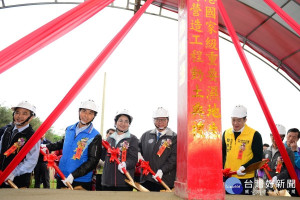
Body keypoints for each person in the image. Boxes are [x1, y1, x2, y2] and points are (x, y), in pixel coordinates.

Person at [44, 100, 102, 190]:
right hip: (62, 176)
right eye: (84, 111)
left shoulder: (95, 135)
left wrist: (73, 175)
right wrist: (46, 147)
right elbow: (62, 143)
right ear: (79, 112)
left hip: (81, 180)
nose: (86, 115)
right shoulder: (69, 129)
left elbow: (93, 161)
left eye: (90, 113)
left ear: (94, 116)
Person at [222, 104, 263, 195]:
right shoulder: (226, 133)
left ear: (245, 120)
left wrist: (244, 167)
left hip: (245, 178)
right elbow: (222, 154)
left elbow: (258, 158)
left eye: (239, 120)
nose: (235, 123)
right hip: (228, 177)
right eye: (233, 120)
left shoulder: (254, 135)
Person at [0, 101, 40, 188]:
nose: (19, 116)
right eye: (17, 112)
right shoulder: (6, 131)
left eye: (24, 113)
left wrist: (13, 173)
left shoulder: (33, 136)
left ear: (31, 117)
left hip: (18, 181)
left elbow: (31, 161)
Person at [139, 107, 177, 191]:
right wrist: (138, 154)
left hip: (165, 179)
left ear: (168, 120)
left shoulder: (174, 137)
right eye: (157, 120)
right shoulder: (146, 135)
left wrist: (162, 171)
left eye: (163, 120)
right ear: (153, 120)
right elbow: (138, 148)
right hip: (147, 179)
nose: (160, 122)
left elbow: (174, 158)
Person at [101, 109, 138, 191]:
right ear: (115, 122)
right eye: (120, 121)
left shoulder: (133, 139)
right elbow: (103, 158)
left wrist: (126, 164)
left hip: (124, 182)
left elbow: (133, 158)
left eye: (126, 121)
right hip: (107, 182)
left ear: (129, 124)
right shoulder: (109, 139)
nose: (123, 124)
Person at [264, 124, 295, 193]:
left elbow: (290, 170)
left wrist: (277, 177)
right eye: (273, 136)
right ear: (270, 135)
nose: (275, 139)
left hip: (282, 187)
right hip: (268, 186)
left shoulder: (288, 152)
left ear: (283, 137)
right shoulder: (266, 151)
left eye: (278, 137)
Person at [284, 128, 300, 196]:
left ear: (298, 139)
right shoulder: (279, 148)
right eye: (289, 136)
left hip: (295, 183)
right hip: (281, 181)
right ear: (286, 136)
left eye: (294, 137)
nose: (291, 139)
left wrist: (294, 151)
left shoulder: (298, 151)